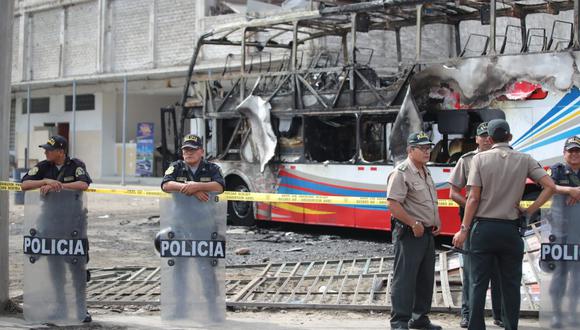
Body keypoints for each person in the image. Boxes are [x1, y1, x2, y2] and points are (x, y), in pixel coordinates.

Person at [452, 119, 555, 330]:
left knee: (478, 282)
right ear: (510, 137)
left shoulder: (479, 159)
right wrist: (530, 209)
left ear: (489, 139)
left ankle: (476, 326)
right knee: (510, 284)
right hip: (511, 229)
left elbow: (472, 199)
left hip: (483, 229)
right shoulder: (524, 159)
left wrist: (464, 229)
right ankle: (510, 326)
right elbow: (550, 186)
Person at [20, 135, 92, 323]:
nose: (45, 152)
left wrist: (59, 186)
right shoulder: (44, 167)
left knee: (77, 268)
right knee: (55, 269)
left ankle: (80, 310)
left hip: (73, 224)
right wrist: (44, 181)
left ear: (61, 151)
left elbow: (83, 184)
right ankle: (60, 308)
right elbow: (24, 184)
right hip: (50, 224)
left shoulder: (75, 165)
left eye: (49, 149)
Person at [160, 134, 225, 322]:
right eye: (185, 150)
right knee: (179, 269)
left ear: (201, 152)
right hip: (180, 226)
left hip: (204, 228)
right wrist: (188, 188)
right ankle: (179, 309)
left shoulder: (212, 168)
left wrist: (196, 186)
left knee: (206, 269)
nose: (188, 153)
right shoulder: (176, 166)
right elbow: (165, 184)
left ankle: (212, 310)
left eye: (192, 149)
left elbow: (220, 186)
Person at [448, 122, 503, 328]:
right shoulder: (467, 160)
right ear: (476, 139)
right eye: (482, 136)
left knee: (498, 270)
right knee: (471, 271)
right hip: (472, 222)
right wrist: (473, 207)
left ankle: (500, 314)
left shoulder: (506, 157)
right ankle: (467, 313)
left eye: (490, 135)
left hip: (497, 221)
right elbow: (453, 192)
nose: (487, 139)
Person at [387, 132, 442, 330]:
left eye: (428, 148)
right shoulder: (401, 172)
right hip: (409, 233)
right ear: (411, 150)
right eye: (423, 148)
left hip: (426, 233)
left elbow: (427, 202)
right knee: (405, 279)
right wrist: (413, 223)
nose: (428, 151)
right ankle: (400, 322)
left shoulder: (425, 171)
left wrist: (436, 221)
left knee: (425, 279)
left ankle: (419, 319)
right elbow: (393, 204)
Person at [546, 135, 580, 328]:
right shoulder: (557, 170)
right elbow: (548, 187)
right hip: (560, 230)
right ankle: (557, 314)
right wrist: (570, 191)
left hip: (579, 231)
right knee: (559, 274)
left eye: (578, 151)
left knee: (578, 275)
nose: (574, 154)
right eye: (571, 151)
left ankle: (573, 313)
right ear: (564, 153)